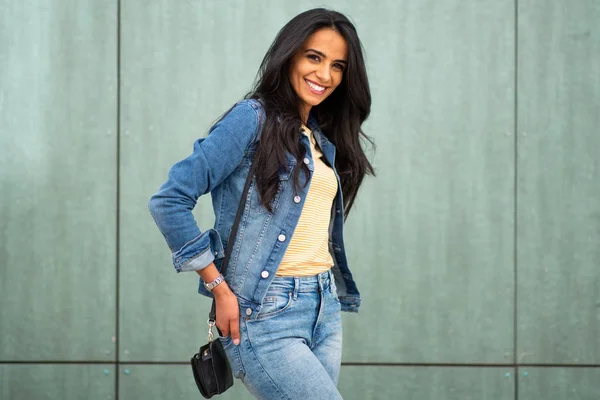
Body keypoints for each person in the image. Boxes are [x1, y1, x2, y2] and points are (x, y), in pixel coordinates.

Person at [149, 8, 374, 399]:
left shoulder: (319, 137)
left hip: (324, 306)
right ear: (289, 55)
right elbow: (169, 199)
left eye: (338, 65)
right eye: (314, 57)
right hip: (265, 312)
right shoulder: (251, 119)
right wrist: (218, 286)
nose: (325, 75)